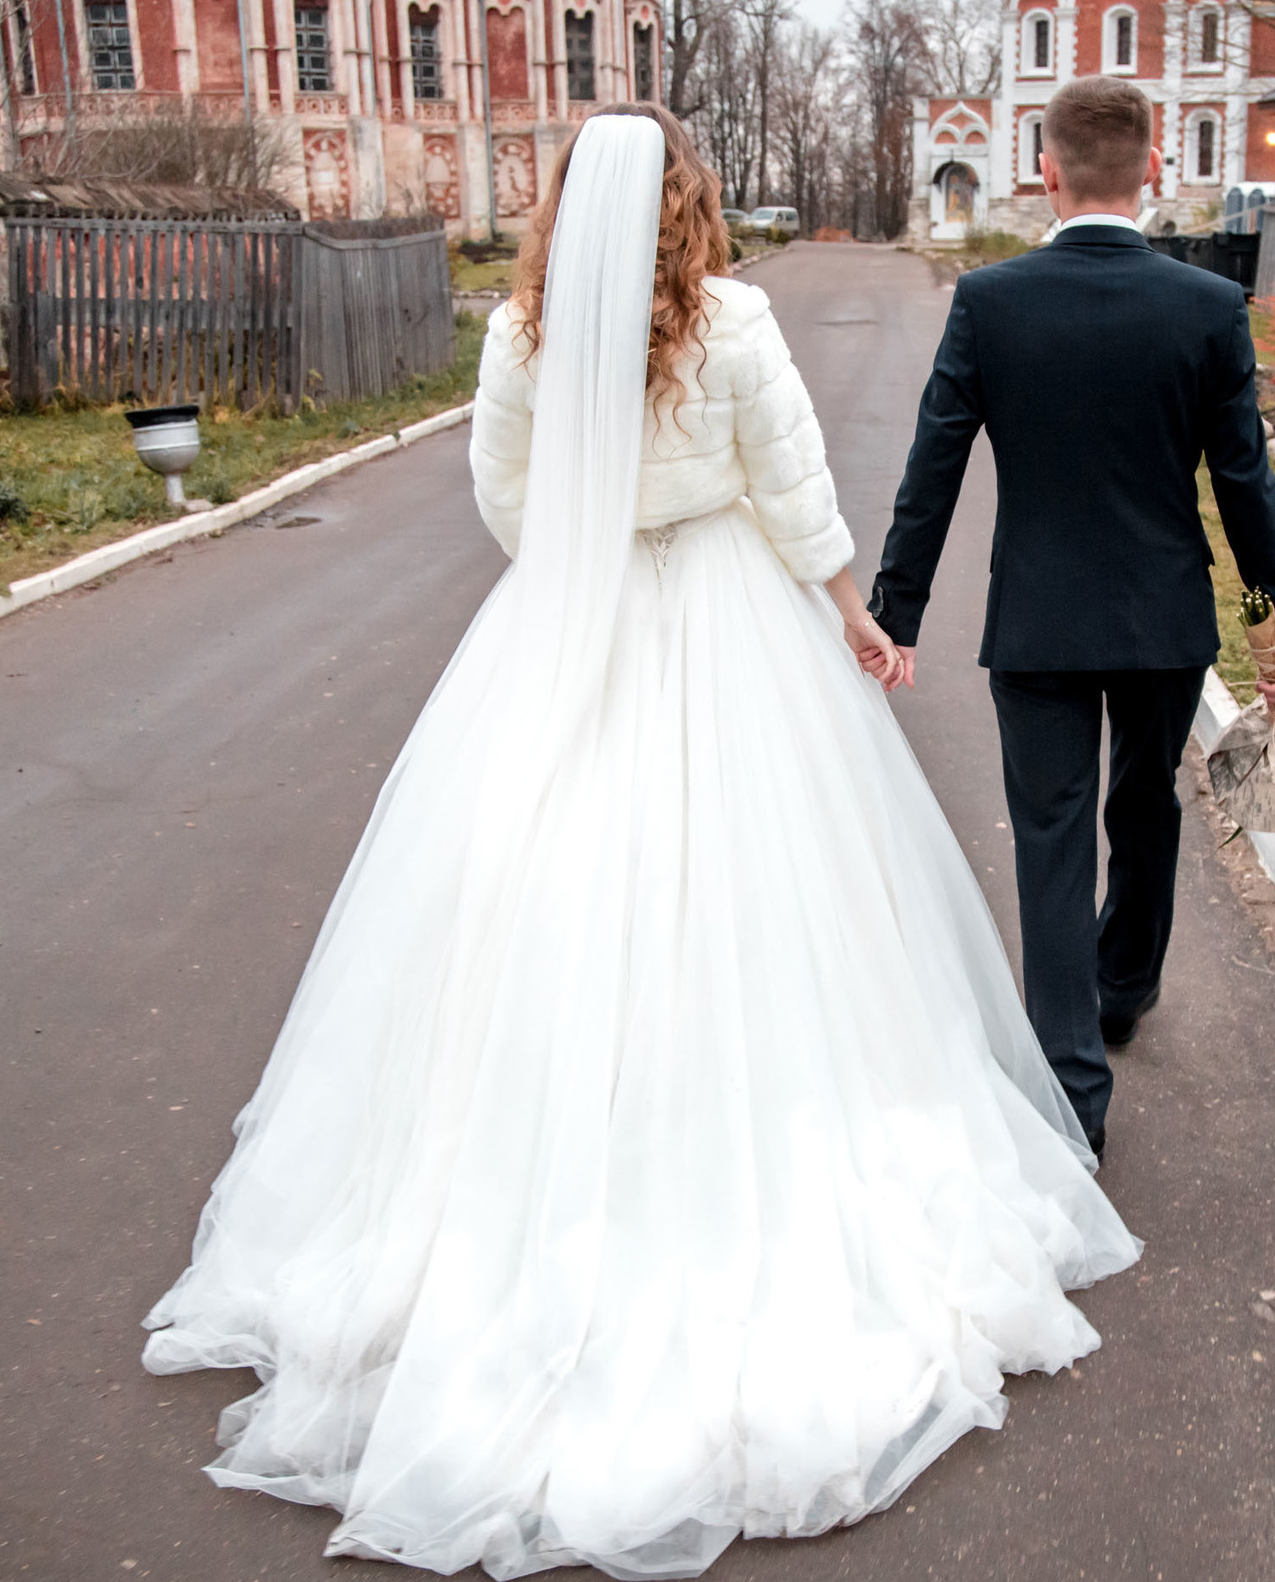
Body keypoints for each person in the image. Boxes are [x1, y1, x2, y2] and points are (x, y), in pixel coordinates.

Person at [139, 107, 1137, 1579]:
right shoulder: (730, 318)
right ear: (687, 203)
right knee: (770, 904)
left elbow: (503, 493)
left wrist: (575, 580)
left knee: (545, 891)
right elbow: (793, 481)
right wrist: (850, 610)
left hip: (574, 615)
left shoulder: (522, 329)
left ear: (561, 207)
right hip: (732, 617)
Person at [869, 75, 1275, 1157]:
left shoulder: (992, 301)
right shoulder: (1207, 308)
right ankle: (1125, 983)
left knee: (1053, 836)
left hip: (1038, 622)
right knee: (1146, 803)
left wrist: (898, 610)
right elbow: (1244, 488)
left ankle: (1072, 1091)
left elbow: (934, 466)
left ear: (1046, 171)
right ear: (1154, 168)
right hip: (1165, 621)